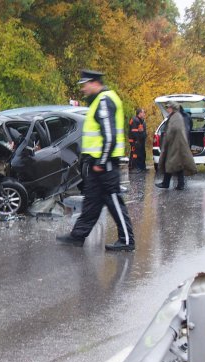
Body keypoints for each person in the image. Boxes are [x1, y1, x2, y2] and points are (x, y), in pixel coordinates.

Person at [56, 69, 135, 252]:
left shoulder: (105, 100)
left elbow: (110, 135)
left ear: (94, 83)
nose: (83, 89)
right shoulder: (99, 101)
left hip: (104, 162)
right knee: (92, 201)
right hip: (96, 163)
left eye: (85, 85)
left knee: (114, 200)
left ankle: (127, 240)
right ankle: (77, 236)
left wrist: (102, 161)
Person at [155, 102, 197, 190]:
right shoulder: (175, 116)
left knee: (172, 163)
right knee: (175, 164)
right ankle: (174, 184)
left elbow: (174, 129)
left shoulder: (176, 117)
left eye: (169, 108)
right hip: (175, 145)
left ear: (173, 108)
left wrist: (168, 138)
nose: (167, 109)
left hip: (175, 145)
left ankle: (170, 183)